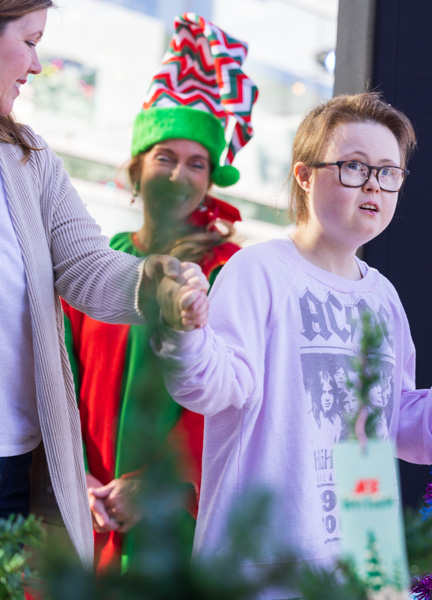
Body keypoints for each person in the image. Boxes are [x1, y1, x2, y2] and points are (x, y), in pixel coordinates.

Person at [152, 92, 432, 598]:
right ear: (305, 176)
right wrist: (185, 332)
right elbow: (212, 388)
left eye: (388, 172)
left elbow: (397, 423)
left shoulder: (383, 298)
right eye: (354, 167)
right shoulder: (259, 270)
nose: (373, 185)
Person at [0, 0, 205, 566]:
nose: (37, 64)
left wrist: (160, 283)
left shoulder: (29, 159)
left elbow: (86, 267)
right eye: (31, 39)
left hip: (15, 466)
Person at [61, 13, 257, 574]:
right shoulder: (97, 263)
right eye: (165, 157)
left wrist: (156, 483)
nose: (179, 175)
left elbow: (233, 392)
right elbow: (60, 374)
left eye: (197, 163)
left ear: (210, 179)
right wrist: (78, 478)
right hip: (85, 510)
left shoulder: (230, 269)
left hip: (181, 520)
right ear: (136, 169)